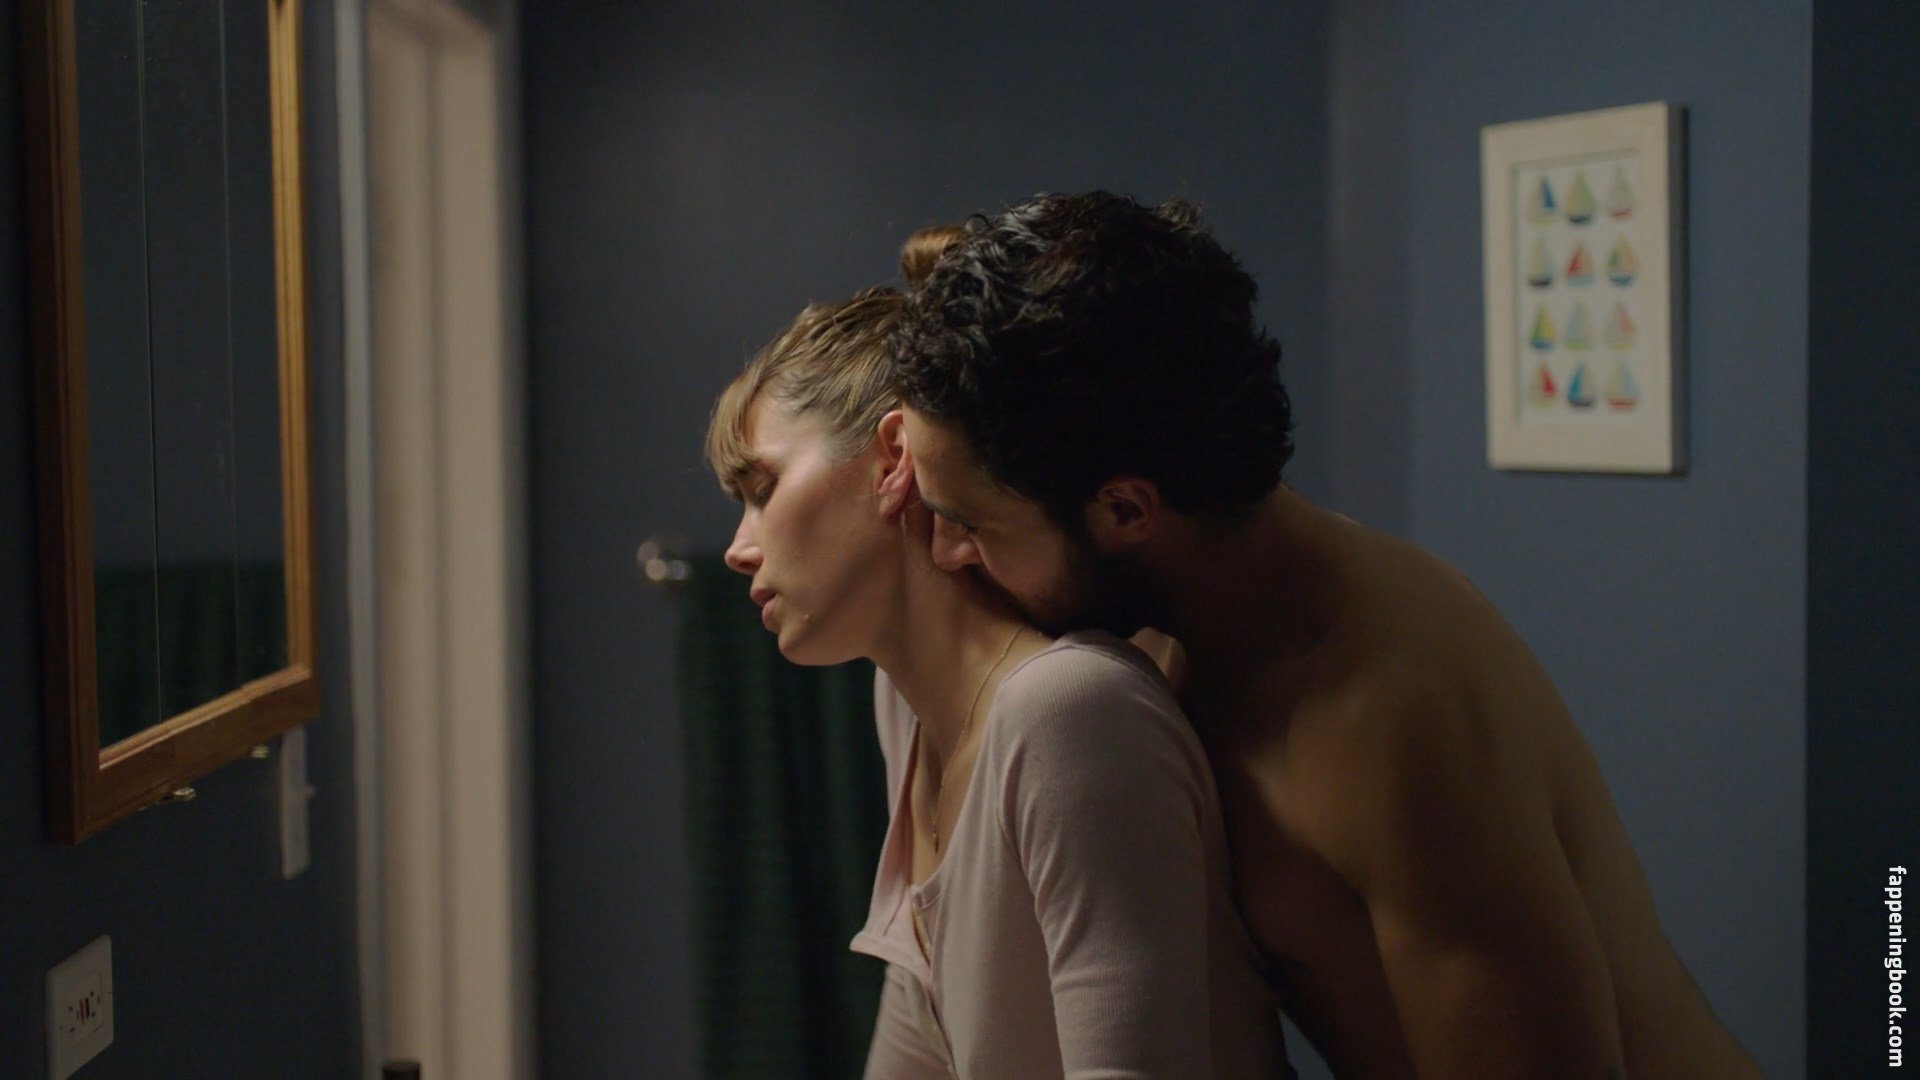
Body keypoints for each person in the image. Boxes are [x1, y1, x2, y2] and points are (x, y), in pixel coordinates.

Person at [889, 191, 1765, 1078]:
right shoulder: (1165, 626)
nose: (947, 552)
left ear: (1123, 510)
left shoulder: (1386, 711)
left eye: (970, 524)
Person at [703, 285, 1294, 1077]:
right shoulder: (907, 706)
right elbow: (917, 1043)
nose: (738, 548)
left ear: (893, 458)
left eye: (762, 489)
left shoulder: (1069, 711)